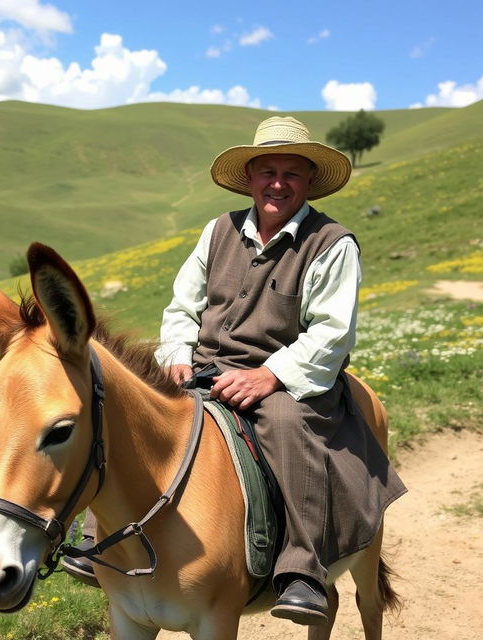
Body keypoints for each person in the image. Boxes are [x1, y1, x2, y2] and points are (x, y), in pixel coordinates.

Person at [63, 116, 406, 626]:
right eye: (268, 170)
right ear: (249, 177)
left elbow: (332, 334)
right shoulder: (217, 231)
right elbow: (182, 307)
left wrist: (269, 375)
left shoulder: (332, 243)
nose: (278, 182)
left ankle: (302, 570)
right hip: (203, 370)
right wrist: (176, 357)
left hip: (288, 380)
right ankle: (100, 542)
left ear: (310, 181)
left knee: (287, 424)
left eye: (292, 172)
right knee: (129, 411)